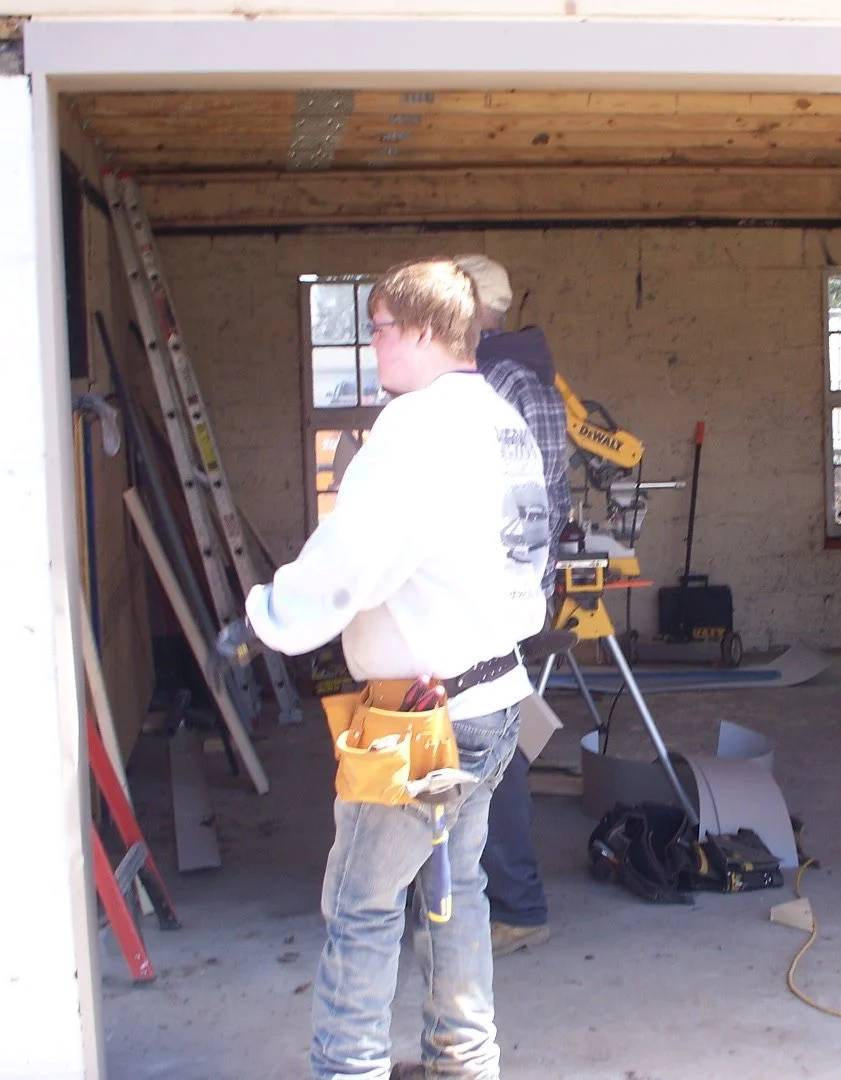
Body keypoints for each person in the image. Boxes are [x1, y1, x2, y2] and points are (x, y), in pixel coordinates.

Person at [218, 258, 549, 1080]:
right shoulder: (500, 420)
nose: (372, 345)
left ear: (428, 332)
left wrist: (265, 619)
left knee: (362, 905)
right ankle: (463, 1061)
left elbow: (348, 563)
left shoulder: (417, 429)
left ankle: (349, 1069)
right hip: (495, 698)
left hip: (420, 717)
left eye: (380, 328)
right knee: (455, 890)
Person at [453, 255, 567, 959]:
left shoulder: (491, 386)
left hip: (483, 597)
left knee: (492, 749)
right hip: (513, 594)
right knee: (495, 742)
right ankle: (492, 897)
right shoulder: (529, 376)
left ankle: (516, 905)